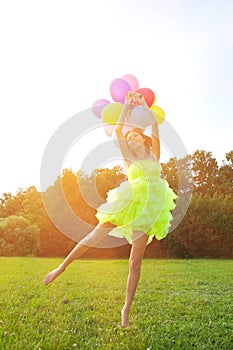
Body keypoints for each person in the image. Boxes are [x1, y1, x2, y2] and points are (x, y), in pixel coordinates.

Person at [44, 92, 177, 328]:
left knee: (135, 262)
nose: (133, 138)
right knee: (94, 235)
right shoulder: (129, 160)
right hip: (128, 201)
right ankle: (61, 268)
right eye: (130, 136)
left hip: (149, 208)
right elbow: (117, 131)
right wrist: (126, 107)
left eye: (137, 135)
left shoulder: (154, 155)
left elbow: (155, 125)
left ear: (144, 140)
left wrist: (144, 106)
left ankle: (125, 310)